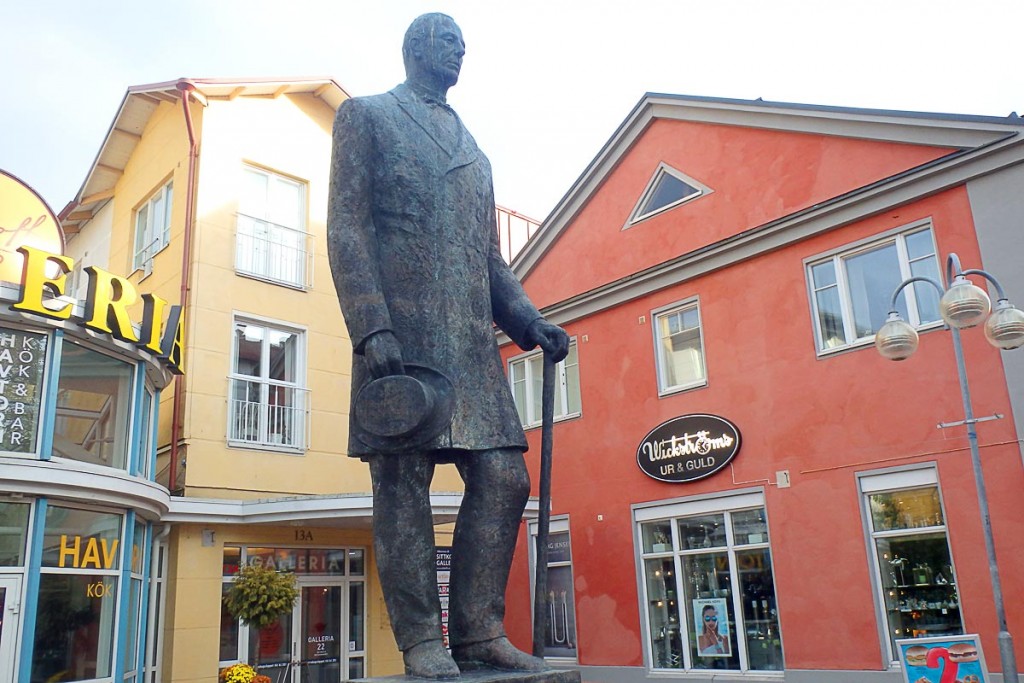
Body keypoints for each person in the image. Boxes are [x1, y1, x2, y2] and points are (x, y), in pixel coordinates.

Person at [327, 12, 570, 680]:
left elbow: (491, 259)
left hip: (468, 345)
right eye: (447, 41)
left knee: (504, 475)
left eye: (464, 43)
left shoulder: (476, 152)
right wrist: (370, 325)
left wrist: (528, 322)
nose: (460, 50)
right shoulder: (366, 116)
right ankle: (419, 640)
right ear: (414, 49)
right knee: (401, 481)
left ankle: (478, 632)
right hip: (399, 339)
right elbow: (346, 229)